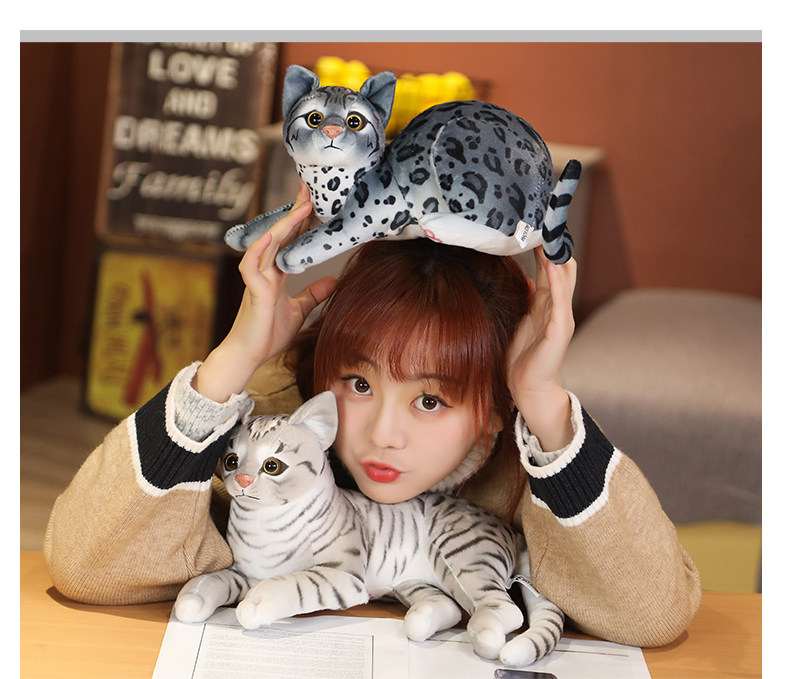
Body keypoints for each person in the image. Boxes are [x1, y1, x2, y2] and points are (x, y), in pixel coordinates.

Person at [44, 182, 701, 647]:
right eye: (359, 382)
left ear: (494, 411)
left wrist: (542, 399)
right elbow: (85, 564)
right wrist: (229, 362)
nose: (384, 433)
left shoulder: (529, 460)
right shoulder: (276, 416)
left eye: (430, 400)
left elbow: (655, 614)